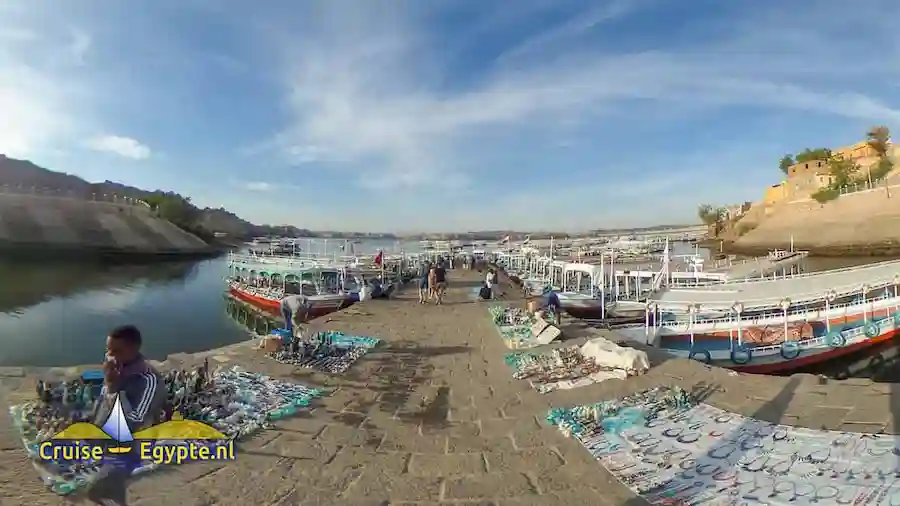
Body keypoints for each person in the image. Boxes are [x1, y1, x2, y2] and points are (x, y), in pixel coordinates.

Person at [88, 325, 166, 506]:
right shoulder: (117, 367)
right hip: (106, 433)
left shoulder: (148, 381)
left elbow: (135, 422)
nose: (109, 355)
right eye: (108, 349)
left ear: (133, 349)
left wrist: (112, 389)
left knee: (98, 488)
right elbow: (101, 402)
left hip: (131, 443)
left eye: (116, 350)